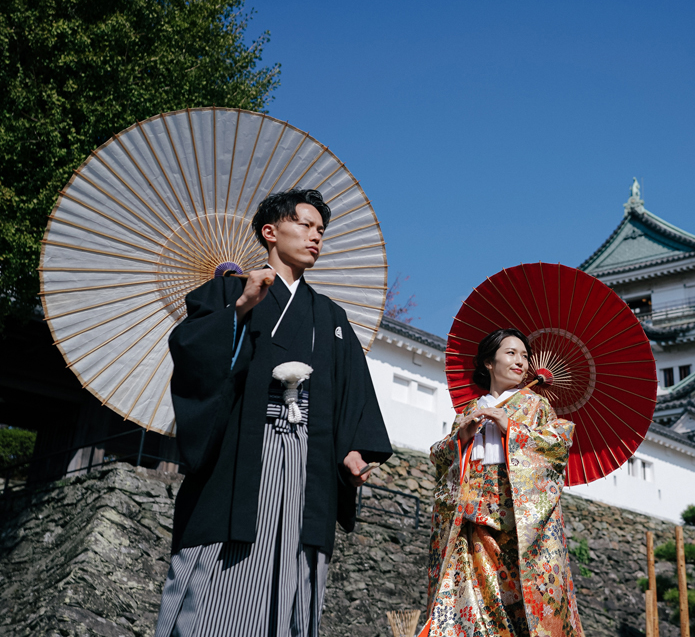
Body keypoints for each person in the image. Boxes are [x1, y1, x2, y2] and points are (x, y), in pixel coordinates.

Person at [154, 189, 392, 637]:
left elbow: (351, 393)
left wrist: (353, 451)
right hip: (244, 453)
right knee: (221, 581)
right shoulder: (229, 288)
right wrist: (241, 307)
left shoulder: (330, 316)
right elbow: (192, 354)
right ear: (270, 231)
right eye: (305, 225)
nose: (315, 236)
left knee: (296, 570)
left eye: (321, 230)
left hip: (310, 461)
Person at [422, 329, 585, 637]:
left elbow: (556, 447)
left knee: (520, 600)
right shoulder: (470, 411)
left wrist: (509, 425)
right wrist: (462, 437)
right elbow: (439, 457)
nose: (521, 362)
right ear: (488, 362)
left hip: (517, 524)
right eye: (511, 353)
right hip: (470, 519)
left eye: (525, 356)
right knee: (474, 600)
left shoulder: (536, 406)